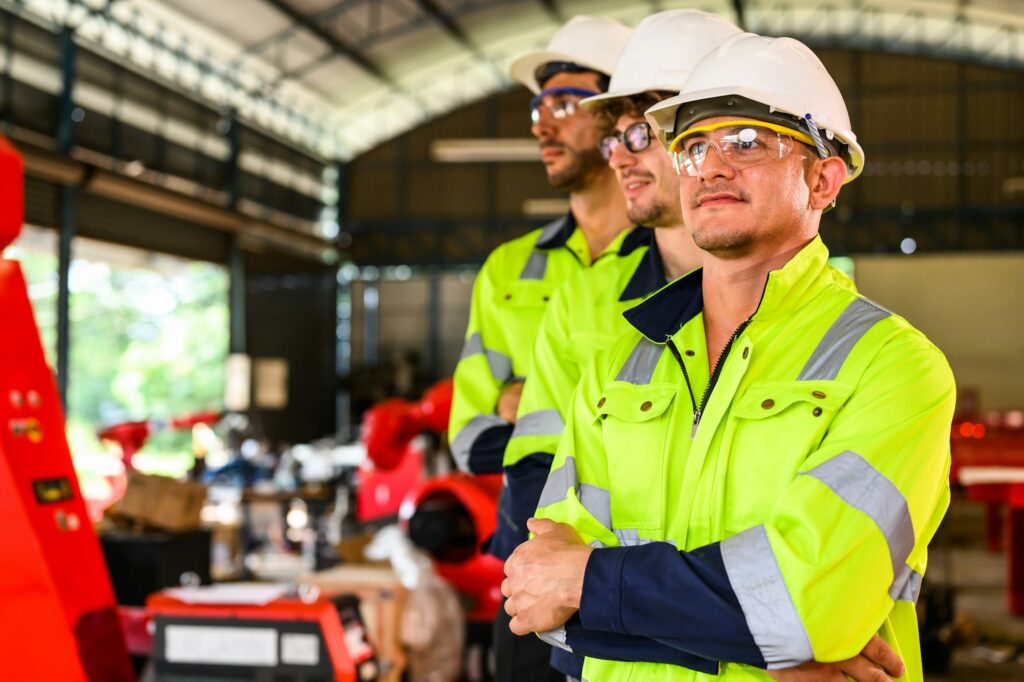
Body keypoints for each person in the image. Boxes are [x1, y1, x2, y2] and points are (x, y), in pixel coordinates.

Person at [503, 32, 955, 682]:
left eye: (747, 142)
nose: (711, 166)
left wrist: (592, 584)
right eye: (691, 146)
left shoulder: (893, 368)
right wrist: (750, 647)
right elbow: (537, 595)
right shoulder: (617, 368)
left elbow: (804, 607)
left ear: (824, 179)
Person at [446, 15, 635, 682]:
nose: (541, 124)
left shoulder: (683, 264)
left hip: (639, 571)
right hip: (525, 571)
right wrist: (607, 408)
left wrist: (537, 406)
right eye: (537, 105)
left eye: (564, 102)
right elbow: (470, 438)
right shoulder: (508, 270)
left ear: (624, 114)